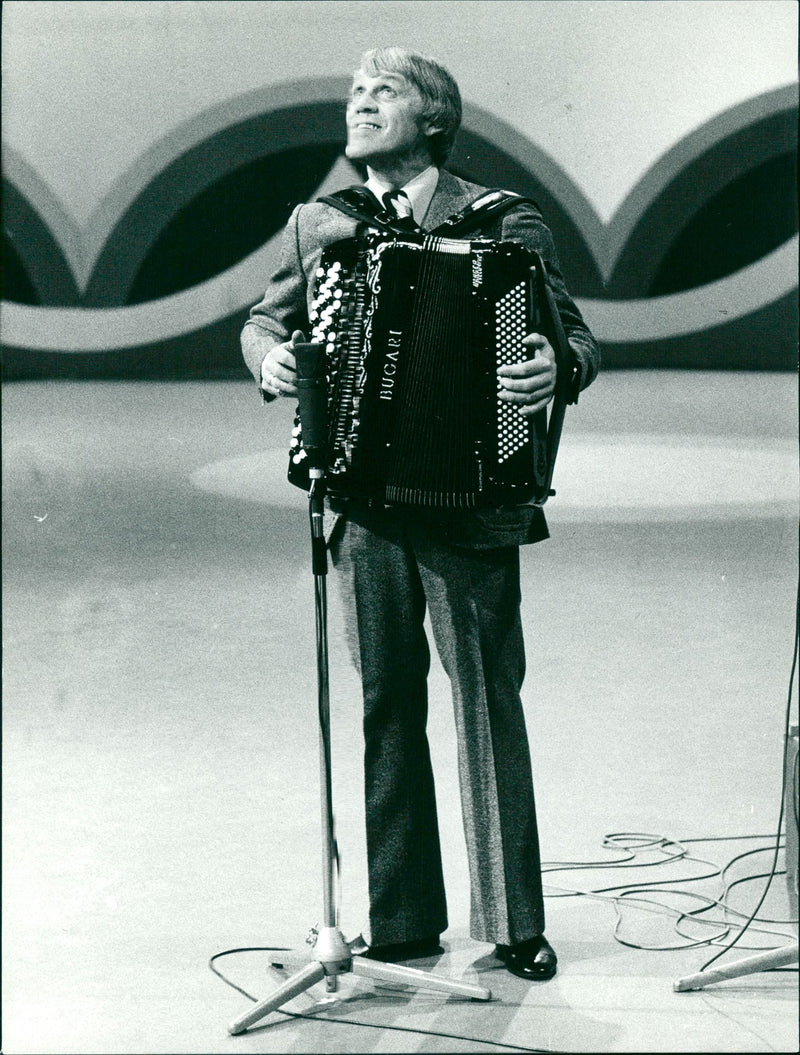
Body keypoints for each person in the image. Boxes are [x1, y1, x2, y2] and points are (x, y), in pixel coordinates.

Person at [242, 47, 600, 981]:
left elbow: (576, 338)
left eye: (382, 93)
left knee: (487, 702)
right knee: (385, 706)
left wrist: (553, 367)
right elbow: (264, 320)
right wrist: (268, 359)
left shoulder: (504, 221)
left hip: (472, 504)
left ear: (433, 118)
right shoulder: (323, 223)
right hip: (363, 503)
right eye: (354, 93)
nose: (359, 104)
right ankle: (401, 918)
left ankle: (514, 920)